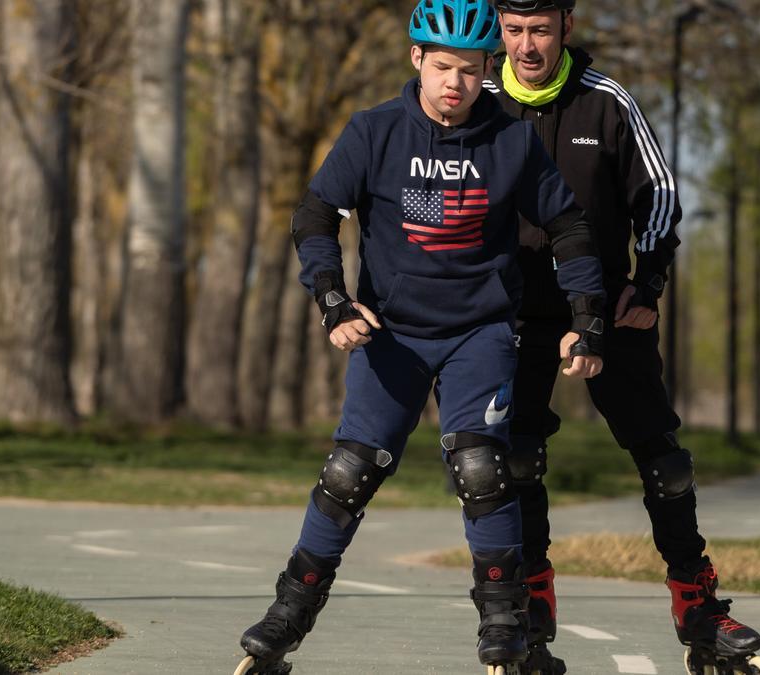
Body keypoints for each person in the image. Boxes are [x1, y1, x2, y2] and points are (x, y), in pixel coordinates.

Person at [235, 1, 607, 672]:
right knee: (349, 473)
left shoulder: (510, 140)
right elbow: (317, 214)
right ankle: (287, 615)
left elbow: (570, 227)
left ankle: (504, 625)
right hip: (392, 332)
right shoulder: (374, 132)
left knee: (482, 466)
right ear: (416, 60)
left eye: (469, 70)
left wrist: (587, 318)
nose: (455, 85)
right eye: (442, 68)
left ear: (486, 68)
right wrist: (331, 298)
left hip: (480, 331)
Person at [485, 1, 760, 672]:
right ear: (499, 29)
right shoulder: (479, 97)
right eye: (515, 30)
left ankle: (698, 604)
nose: (527, 45)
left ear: (566, 30)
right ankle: (531, 600)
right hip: (515, 308)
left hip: (604, 303)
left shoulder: (606, 102)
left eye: (541, 30)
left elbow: (660, 196)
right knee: (517, 456)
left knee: (664, 461)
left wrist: (651, 280)